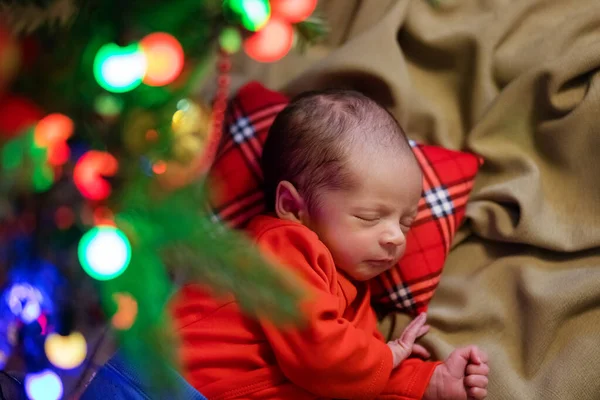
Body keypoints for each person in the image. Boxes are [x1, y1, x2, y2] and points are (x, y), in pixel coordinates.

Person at [170, 89, 489, 399]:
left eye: (406, 221)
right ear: (294, 207)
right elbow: (323, 355)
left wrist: (428, 381)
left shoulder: (355, 300)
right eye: (369, 217)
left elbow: (354, 379)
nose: (397, 236)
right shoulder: (282, 245)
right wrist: (389, 354)